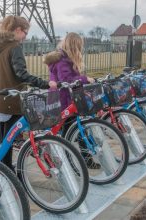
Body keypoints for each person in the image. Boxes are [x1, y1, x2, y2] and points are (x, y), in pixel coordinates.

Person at [0, 15, 56, 169]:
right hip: (13, 100)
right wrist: (46, 84)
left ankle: (4, 168)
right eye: (26, 32)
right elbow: (22, 75)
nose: (26, 36)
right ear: (18, 30)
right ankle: (7, 170)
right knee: (9, 139)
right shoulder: (14, 47)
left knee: (6, 139)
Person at [43, 32, 100, 169]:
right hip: (62, 100)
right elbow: (66, 80)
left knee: (77, 131)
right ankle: (70, 163)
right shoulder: (62, 60)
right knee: (71, 133)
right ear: (75, 46)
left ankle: (84, 160)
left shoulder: (64, 58)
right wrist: (86, 79)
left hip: (67, 99)